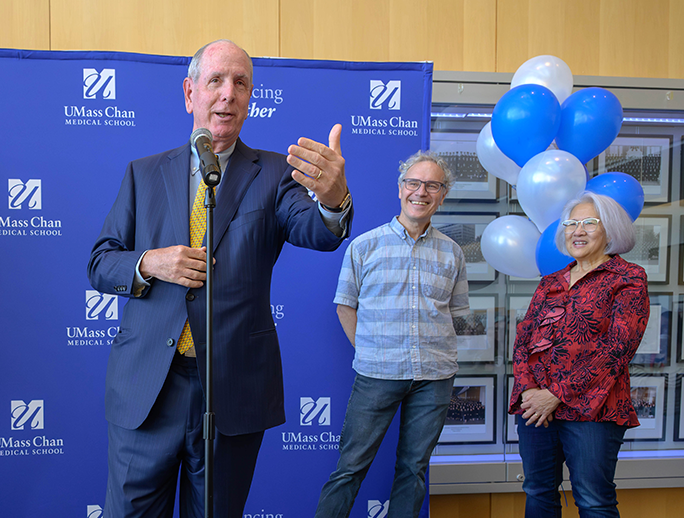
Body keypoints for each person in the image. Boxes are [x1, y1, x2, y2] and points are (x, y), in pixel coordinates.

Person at [87, 39, 353, 517]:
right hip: (148, 388)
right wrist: (150, 262)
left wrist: (334, 201)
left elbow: (317, 230)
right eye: (216, 81)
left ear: (250, 98)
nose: (228, 93)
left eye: (241, 83)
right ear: (190, 93)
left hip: (231, 390)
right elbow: (101, 261)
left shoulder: (275, 173)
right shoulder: (143, 174)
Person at [315, 151, 469, 518]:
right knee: (350, 468)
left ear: (442, 195)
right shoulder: (365, 246)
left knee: (413, 470)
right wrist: (370, 350)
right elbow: (344, 306)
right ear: (400, 190)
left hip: (434, 377)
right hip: (376, 374)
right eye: (414, 183)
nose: (422, 192)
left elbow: (456, 314)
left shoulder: (453, 253)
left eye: (432, 185)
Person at [508, 191, 649, 518]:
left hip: (594, 410)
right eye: (571, 223)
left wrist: (555, 395)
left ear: (610, 230)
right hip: (536, 410)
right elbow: (523, 340)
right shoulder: (550, 282)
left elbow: (617, 349)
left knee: (593, 499)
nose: (578, 230)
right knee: (538, 492)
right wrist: (529, 390)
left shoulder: (628, 278)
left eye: (589, 223)